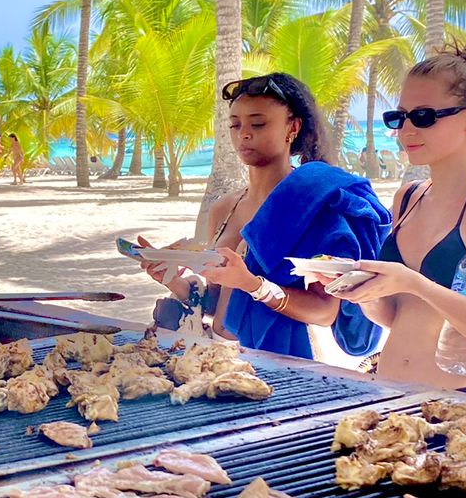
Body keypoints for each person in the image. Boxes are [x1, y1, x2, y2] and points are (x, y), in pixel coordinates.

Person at [321, 38, 466, 397]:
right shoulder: (408, 197)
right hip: (389, 394)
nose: (406, 130)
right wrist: (357, 289)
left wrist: (413, 282)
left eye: (424, 117)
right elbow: (398, 316)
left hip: (462, 402)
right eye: (399, 117)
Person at [141, 73, 389, 359]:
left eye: (257, 123)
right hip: (220, 356)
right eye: (235, 124)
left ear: (293, 127)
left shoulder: (314, 203)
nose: (243, 134)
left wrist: (254, 285)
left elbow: (324, 311)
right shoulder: (225, 208)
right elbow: (222, 303)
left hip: (285, 362)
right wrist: (173, 280)